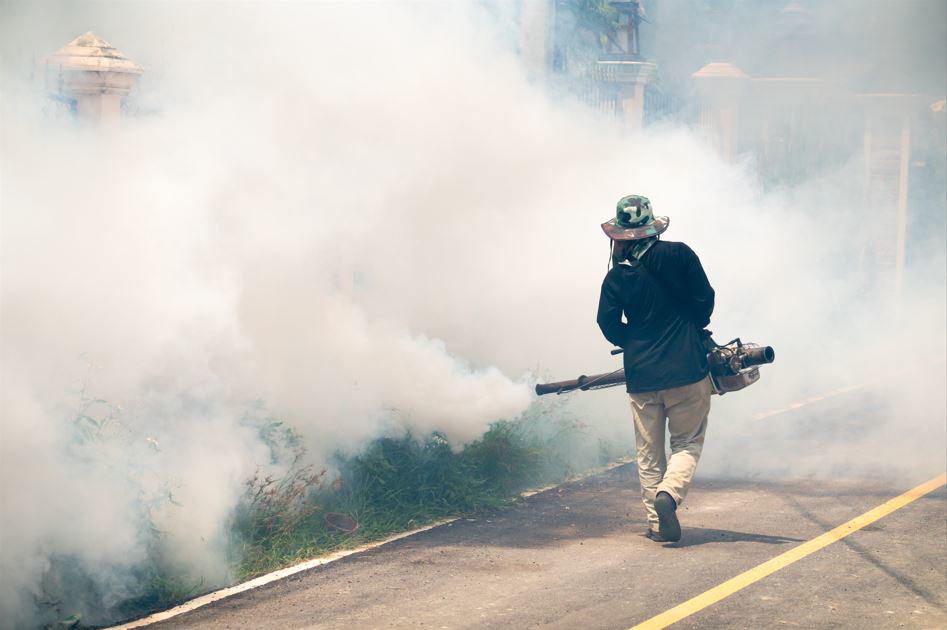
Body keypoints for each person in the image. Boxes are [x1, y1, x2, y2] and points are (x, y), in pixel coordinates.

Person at [596, 194, 715, 543]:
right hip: (688, 369)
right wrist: (693, 326)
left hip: (642, 375)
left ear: (620, 235)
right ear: (652, 229)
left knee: (648, 453)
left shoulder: (615, 278)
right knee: (687, 443)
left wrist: (632, 340)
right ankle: (669, 496)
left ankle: (656, 523)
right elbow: (705, 299)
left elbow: (606, 323)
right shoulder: (680, 254)